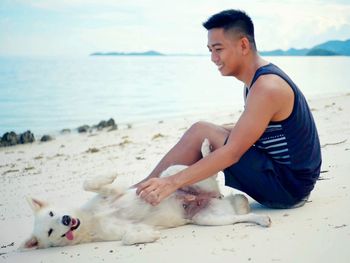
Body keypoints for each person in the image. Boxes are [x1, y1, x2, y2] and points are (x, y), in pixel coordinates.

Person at [136, 9, 322, 209]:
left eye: (218, 49)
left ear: (243, 45)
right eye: (210, 50)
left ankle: (144, 191)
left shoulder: (266, 87)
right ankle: (145, 189)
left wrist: (171, 182)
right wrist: (219, 131)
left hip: (288, 188)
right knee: (209, 130)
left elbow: (232, 153)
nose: (213, 58)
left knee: (202, 130)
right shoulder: (258, 81)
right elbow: (260, 130)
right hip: (291, 182)